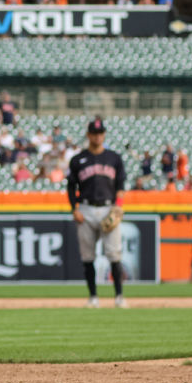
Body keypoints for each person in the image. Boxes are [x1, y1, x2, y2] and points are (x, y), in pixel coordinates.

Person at [67, 118, 127, 309]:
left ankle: (119, 297)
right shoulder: (78, 159)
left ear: (104, 135)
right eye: (94, 133)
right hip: (85, 209)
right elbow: (70, 187)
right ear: (88, 135)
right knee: (87, 257)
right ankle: (93, 297)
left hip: (108, 207)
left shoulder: (114, 158)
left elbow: (120, 186)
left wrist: (118, 206)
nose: (97, 136)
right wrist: (74, 209)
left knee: (114, 254)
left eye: (100, 133)